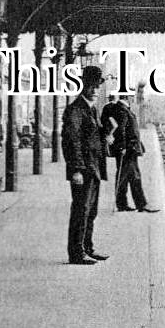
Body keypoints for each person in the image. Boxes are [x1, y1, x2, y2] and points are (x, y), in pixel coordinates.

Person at [62, 65, 108, 264]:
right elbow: (72, 142)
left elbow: (92, 137)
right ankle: (76, 253)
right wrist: (76, 170)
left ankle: (87, 247)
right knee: (81, 211)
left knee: (91, 211)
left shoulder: (91, 109)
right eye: (91, 86)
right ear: (83, 86)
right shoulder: (76, 110)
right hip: (84, 169)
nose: (95, 90)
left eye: (97, 86)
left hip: (94, 168)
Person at [104, 94, 157, 213]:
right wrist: (122, 147)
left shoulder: (122, 109)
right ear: (127, 98)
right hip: (127, 150)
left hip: (128, 149)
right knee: (131, 177)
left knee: (128, 177)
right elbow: (121, 130)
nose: (133, 99)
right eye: (131, 97)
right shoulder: (122, 110)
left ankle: (124, 204)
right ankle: (140, 204)